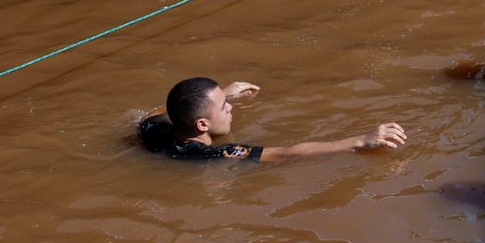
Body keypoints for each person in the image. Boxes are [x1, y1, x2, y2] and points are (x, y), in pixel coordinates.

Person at [139, 77, 407, 161]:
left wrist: (222, 95)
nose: (230, 107)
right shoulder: (216, 154)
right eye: (224, 106)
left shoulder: (152, 129)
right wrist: (360, 141)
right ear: (202, 125)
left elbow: (159, 111)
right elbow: (285, 153)